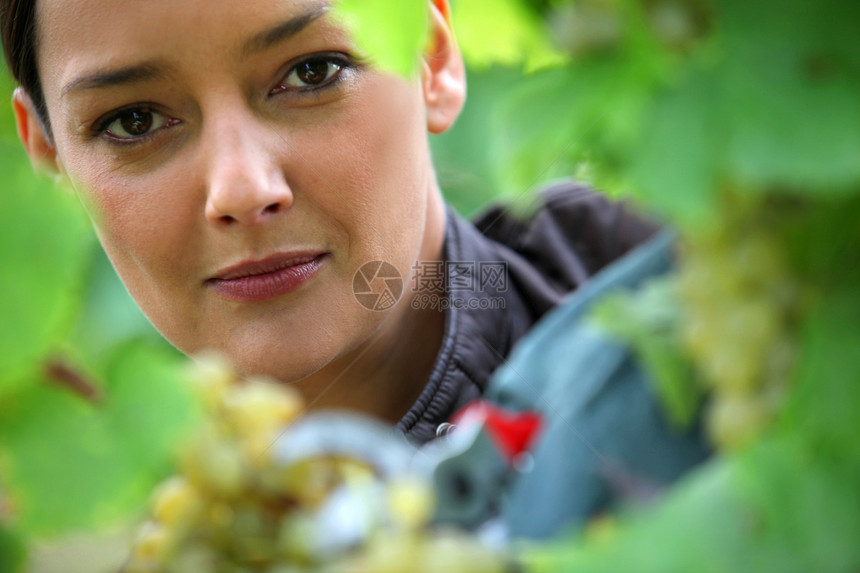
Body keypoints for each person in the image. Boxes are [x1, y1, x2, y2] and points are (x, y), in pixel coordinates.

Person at [1, 0, 658, 443]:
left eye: (312, 72)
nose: (243, 188)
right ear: (51, 156)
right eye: (133, 121)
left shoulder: (682, 289)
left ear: (431, 57)